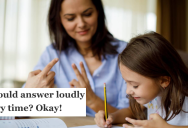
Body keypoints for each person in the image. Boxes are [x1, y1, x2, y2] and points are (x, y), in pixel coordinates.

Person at [24, 0, 129, 117]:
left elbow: (134, 113)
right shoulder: (52, 54)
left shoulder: (126, 52)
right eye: (70, 18)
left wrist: (92, 100)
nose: (81, 24)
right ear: (59, 20)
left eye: (88, 14)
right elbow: (14, 108)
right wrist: (28, 94)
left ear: (98, 12)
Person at [94, 32, 188, 127]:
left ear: (163, 81)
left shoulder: (185, 99)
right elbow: (130, 111)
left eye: (135, 85)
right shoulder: (154, 96)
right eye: (126, 82)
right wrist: (111, 117)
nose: (128, 91)